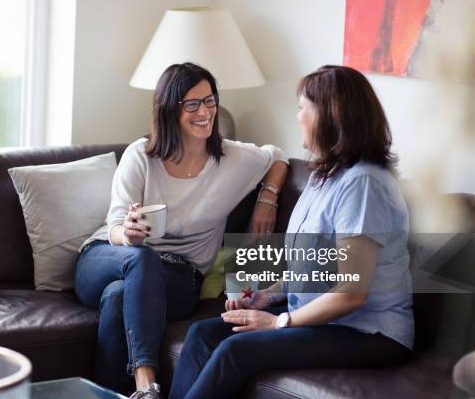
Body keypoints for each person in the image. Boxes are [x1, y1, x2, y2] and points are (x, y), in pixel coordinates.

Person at [169, 65, 415, 399]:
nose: (298, 116)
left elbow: (352, 293)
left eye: (304, 108)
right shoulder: (323, 176)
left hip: (368, 333)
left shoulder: (364, 184)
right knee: (202, 333)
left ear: (330, 117)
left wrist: (278, 321)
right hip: (320, 318)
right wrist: (267, 295)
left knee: (236, 350)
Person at [74, 62, 289, 399]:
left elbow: (277, 157)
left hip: (180, 277)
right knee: (141, 259)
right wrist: (128, 235)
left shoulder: (233, 158)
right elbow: (115, 225)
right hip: (109, 255)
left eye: (210, 101)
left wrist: (268, 199)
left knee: (119, 298)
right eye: (192, 104)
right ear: (169, 109)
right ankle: (146, 385)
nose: (204, 111)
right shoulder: (141, 156)